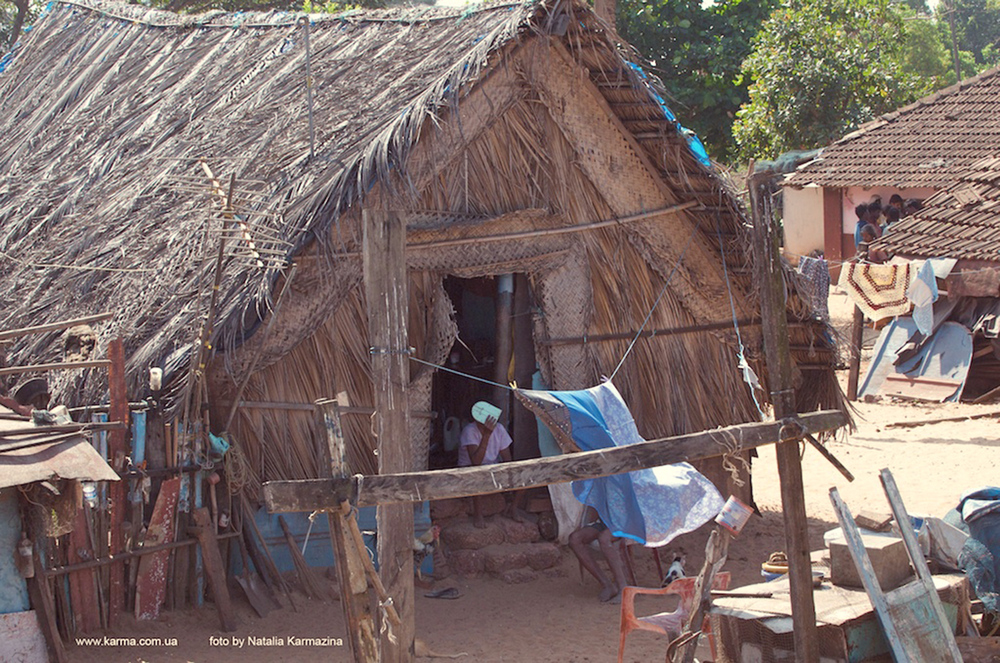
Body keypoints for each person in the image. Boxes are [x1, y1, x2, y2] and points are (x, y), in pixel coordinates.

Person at [458, 401, 519, 528]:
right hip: (470, 469)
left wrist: (510, 473)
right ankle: (478, 514)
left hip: (492, 467)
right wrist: (486, 435)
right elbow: (476, 462)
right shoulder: (470, 431)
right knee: (478, 474)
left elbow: (507, 458)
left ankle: (513, 508)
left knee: (525, 474)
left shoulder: (500, 429)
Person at [569, 508, 630, 603]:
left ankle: (623, 588)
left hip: (626, 521)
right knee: (575, 539)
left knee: (604, 538)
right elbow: (594, 507)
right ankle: (607, 585)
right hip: (604, 522)